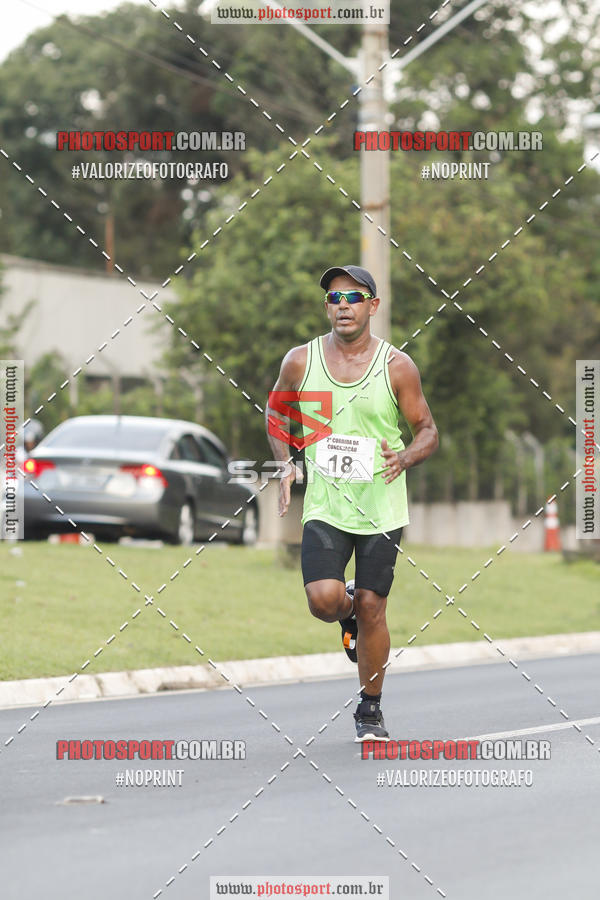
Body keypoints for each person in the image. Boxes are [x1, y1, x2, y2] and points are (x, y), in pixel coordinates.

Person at [266, 265, 438, 742]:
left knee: (373, 607)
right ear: (328, 308)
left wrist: (404, 457)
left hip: (381, 507)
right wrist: (285, 464)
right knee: (325, 600)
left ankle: (370, 708)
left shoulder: (396, 366)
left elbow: (428, 430)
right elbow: (277, 414)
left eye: (354, 296)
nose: (343, 304)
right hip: (326, 504)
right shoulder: (301, 362)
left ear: (372, 306)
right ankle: (345, 617)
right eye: (335, 297)